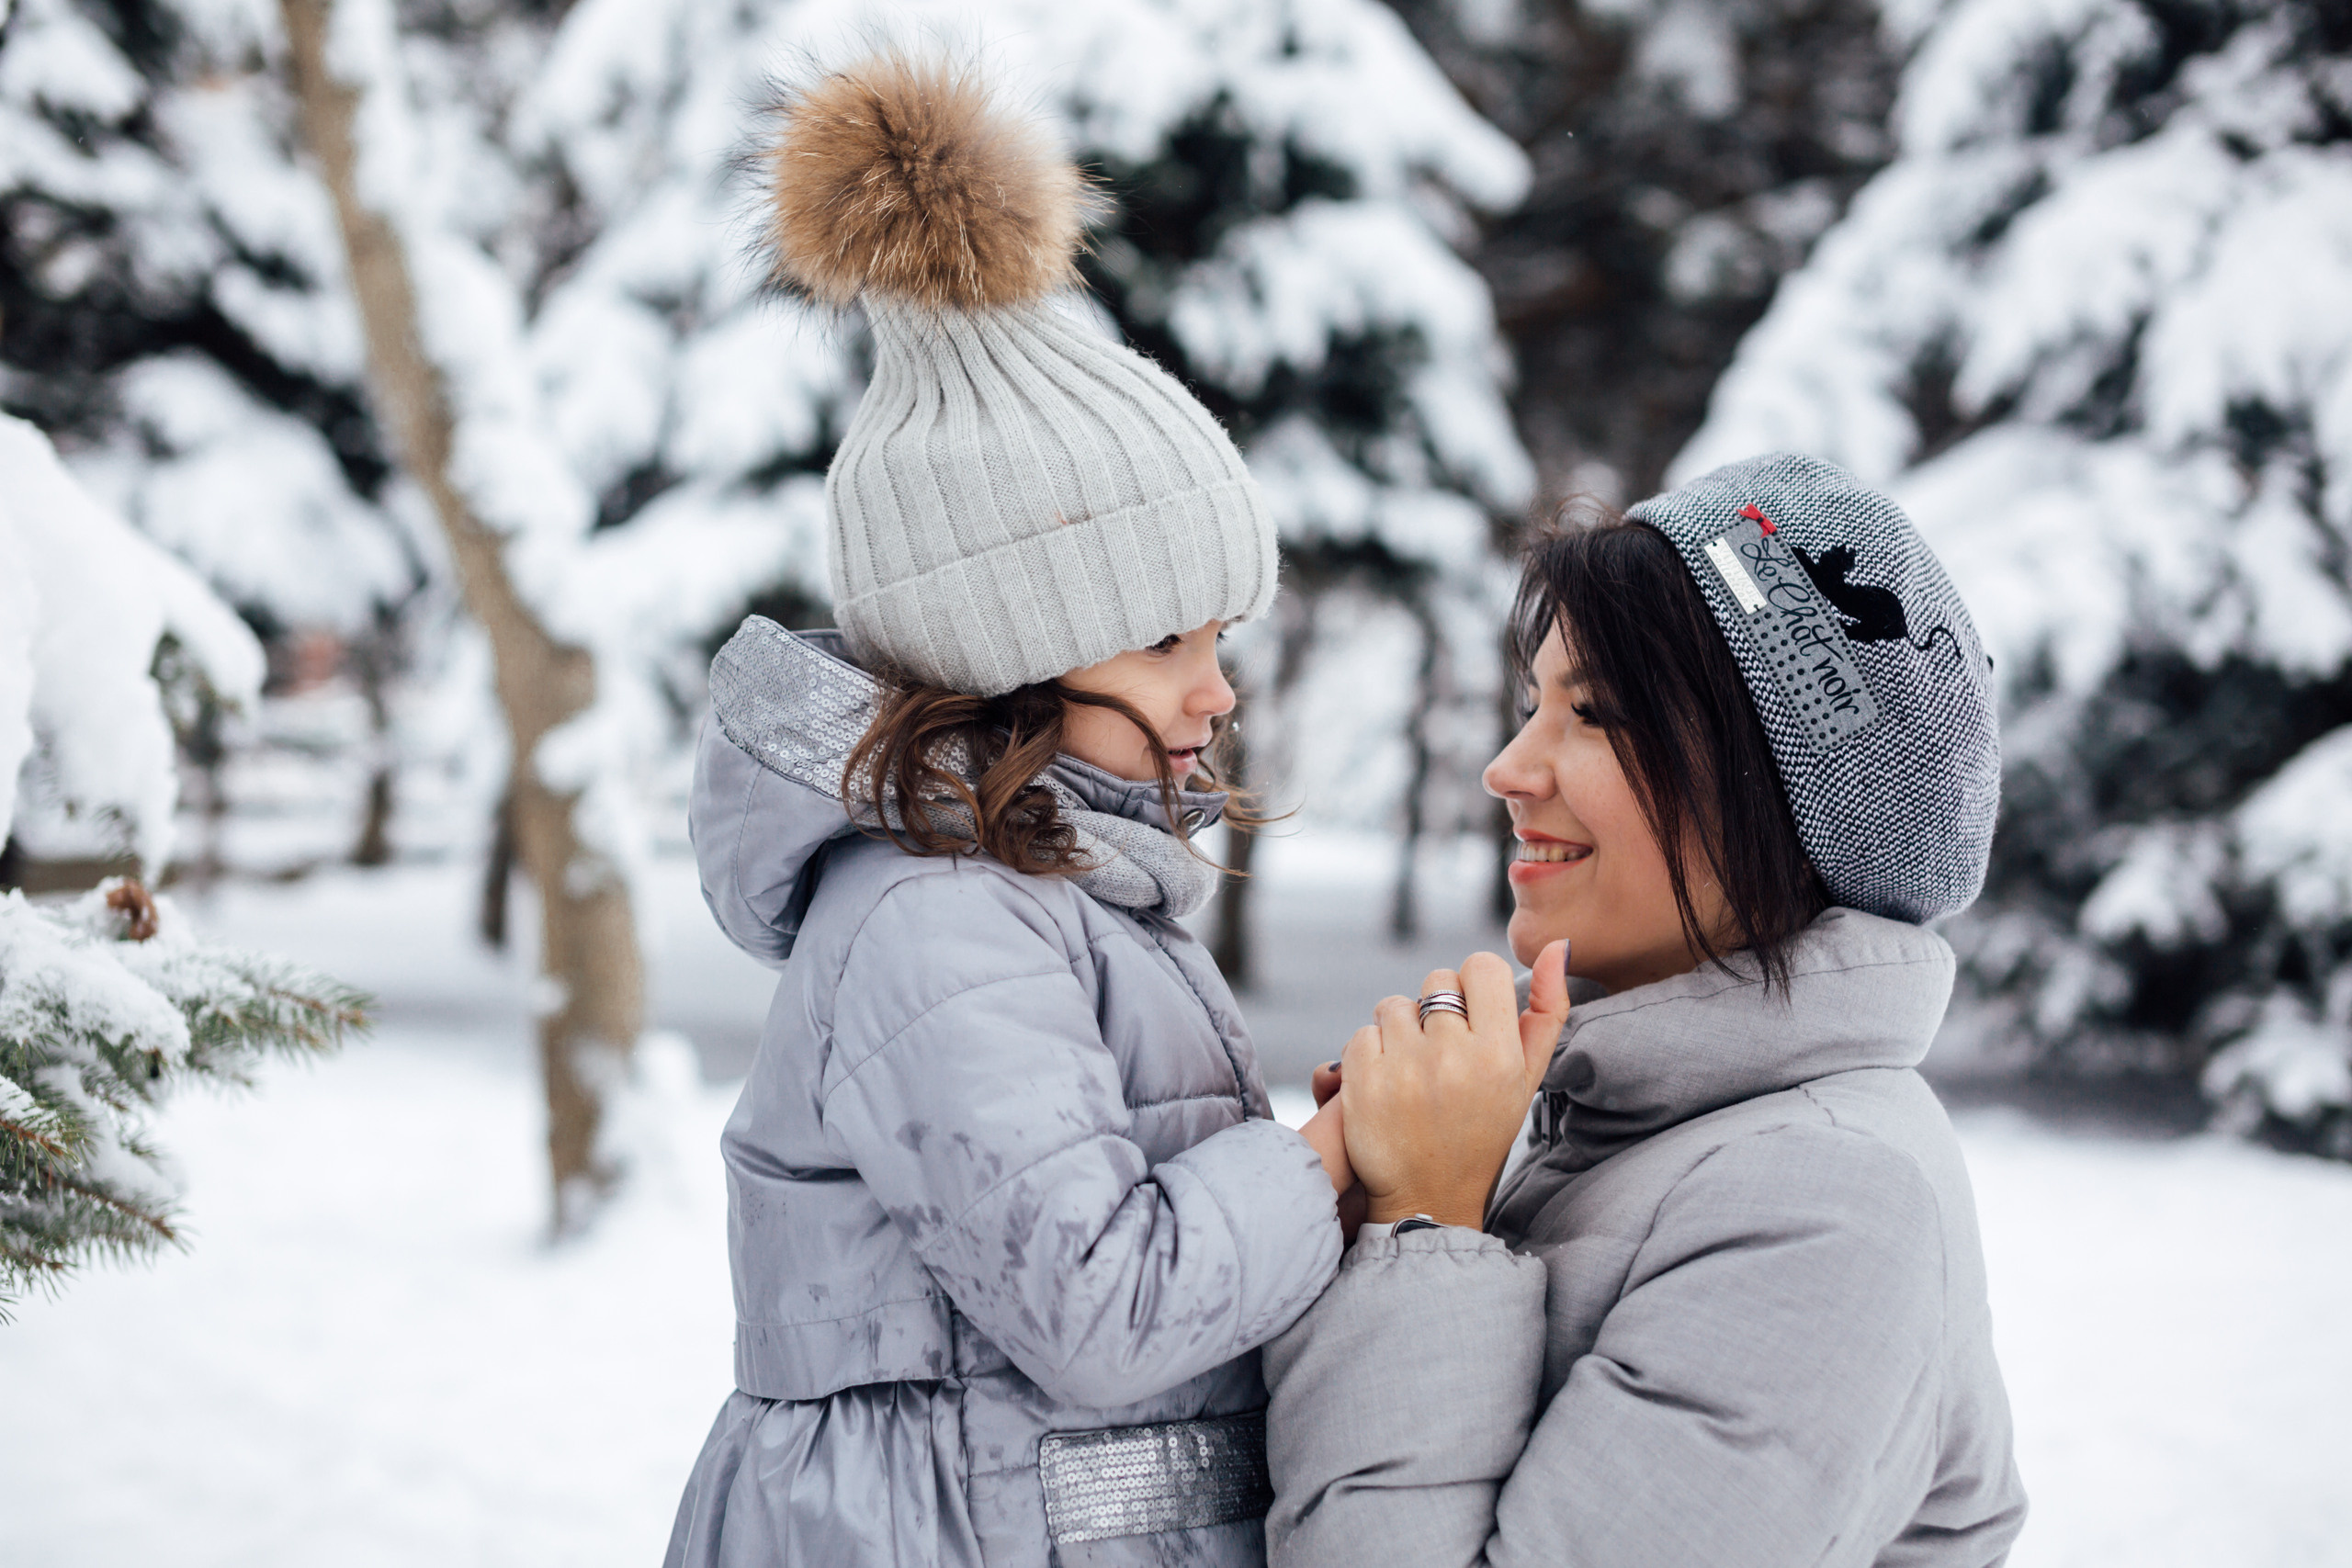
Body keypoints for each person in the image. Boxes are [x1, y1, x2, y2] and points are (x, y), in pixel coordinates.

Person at [664, 55, 1358, 1568]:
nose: (1217, 690)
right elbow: (1099, 1309)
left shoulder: (1044, 887)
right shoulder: (940, 917)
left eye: (1222, 637)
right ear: (1013, 650)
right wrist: (1342, 1156)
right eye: (1166, 640)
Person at [1265, 455, 2029, 1567]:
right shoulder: (1623, 1119)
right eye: (1531, 707)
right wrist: (1348, 1233)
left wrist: (1427, 1225)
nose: (1506, 769)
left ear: (1780, 793)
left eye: (1596, 714)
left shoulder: (1830, 1204)